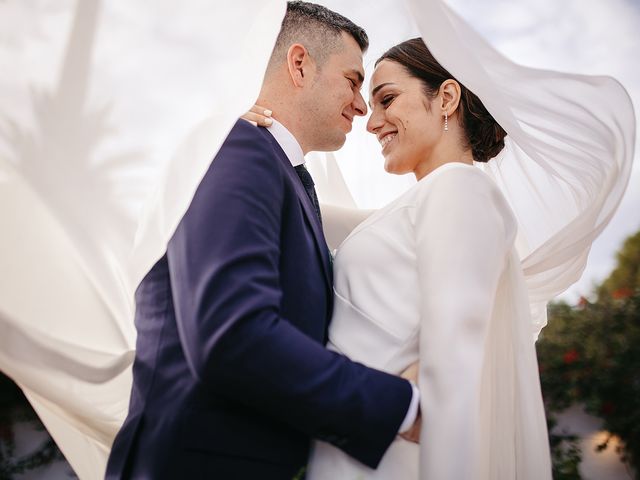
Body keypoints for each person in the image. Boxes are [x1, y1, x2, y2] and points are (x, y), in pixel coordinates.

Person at [105, 3, 421, 479]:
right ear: (299, 64)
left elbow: (381, 230)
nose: (361, 106)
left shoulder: (281, 172)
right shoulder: (239, 147)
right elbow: (232, 336)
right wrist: (404, 406)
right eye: (354, 81)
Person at [247, 36, 554, 479]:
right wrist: (256, 137)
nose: (372, 123)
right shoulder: (411, 210)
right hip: (353, 451)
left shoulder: (461, 190)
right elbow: (302, 212)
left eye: (386, 99)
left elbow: (451, 376)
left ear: (446, 97)